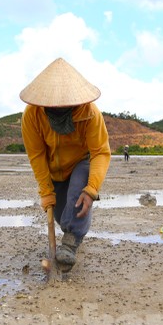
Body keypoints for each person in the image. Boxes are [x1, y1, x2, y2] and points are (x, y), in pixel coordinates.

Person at [20, 58, 111, 272]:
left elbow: (100, 152)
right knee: (63, 216)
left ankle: (70, 243)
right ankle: (70, 234)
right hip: (53, 169)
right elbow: (37, 155)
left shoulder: (90, 113)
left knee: (80, 194)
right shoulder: (32, 116)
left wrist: (92, 190)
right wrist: (46, 192)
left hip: (81, 162)